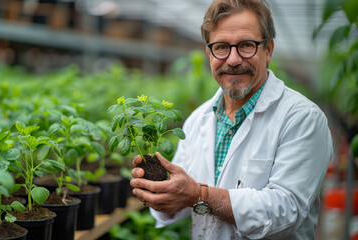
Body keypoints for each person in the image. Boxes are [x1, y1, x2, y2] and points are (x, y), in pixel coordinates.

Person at [130, 0, 333, 239]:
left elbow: (286, 212)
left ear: (268, 50)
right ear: (209, 53)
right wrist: (161, 192)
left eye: (246, 45)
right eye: (222, 47)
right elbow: (178, 204)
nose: (233, 59)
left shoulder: (302, 118)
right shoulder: (198, 120)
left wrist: (198, 195)